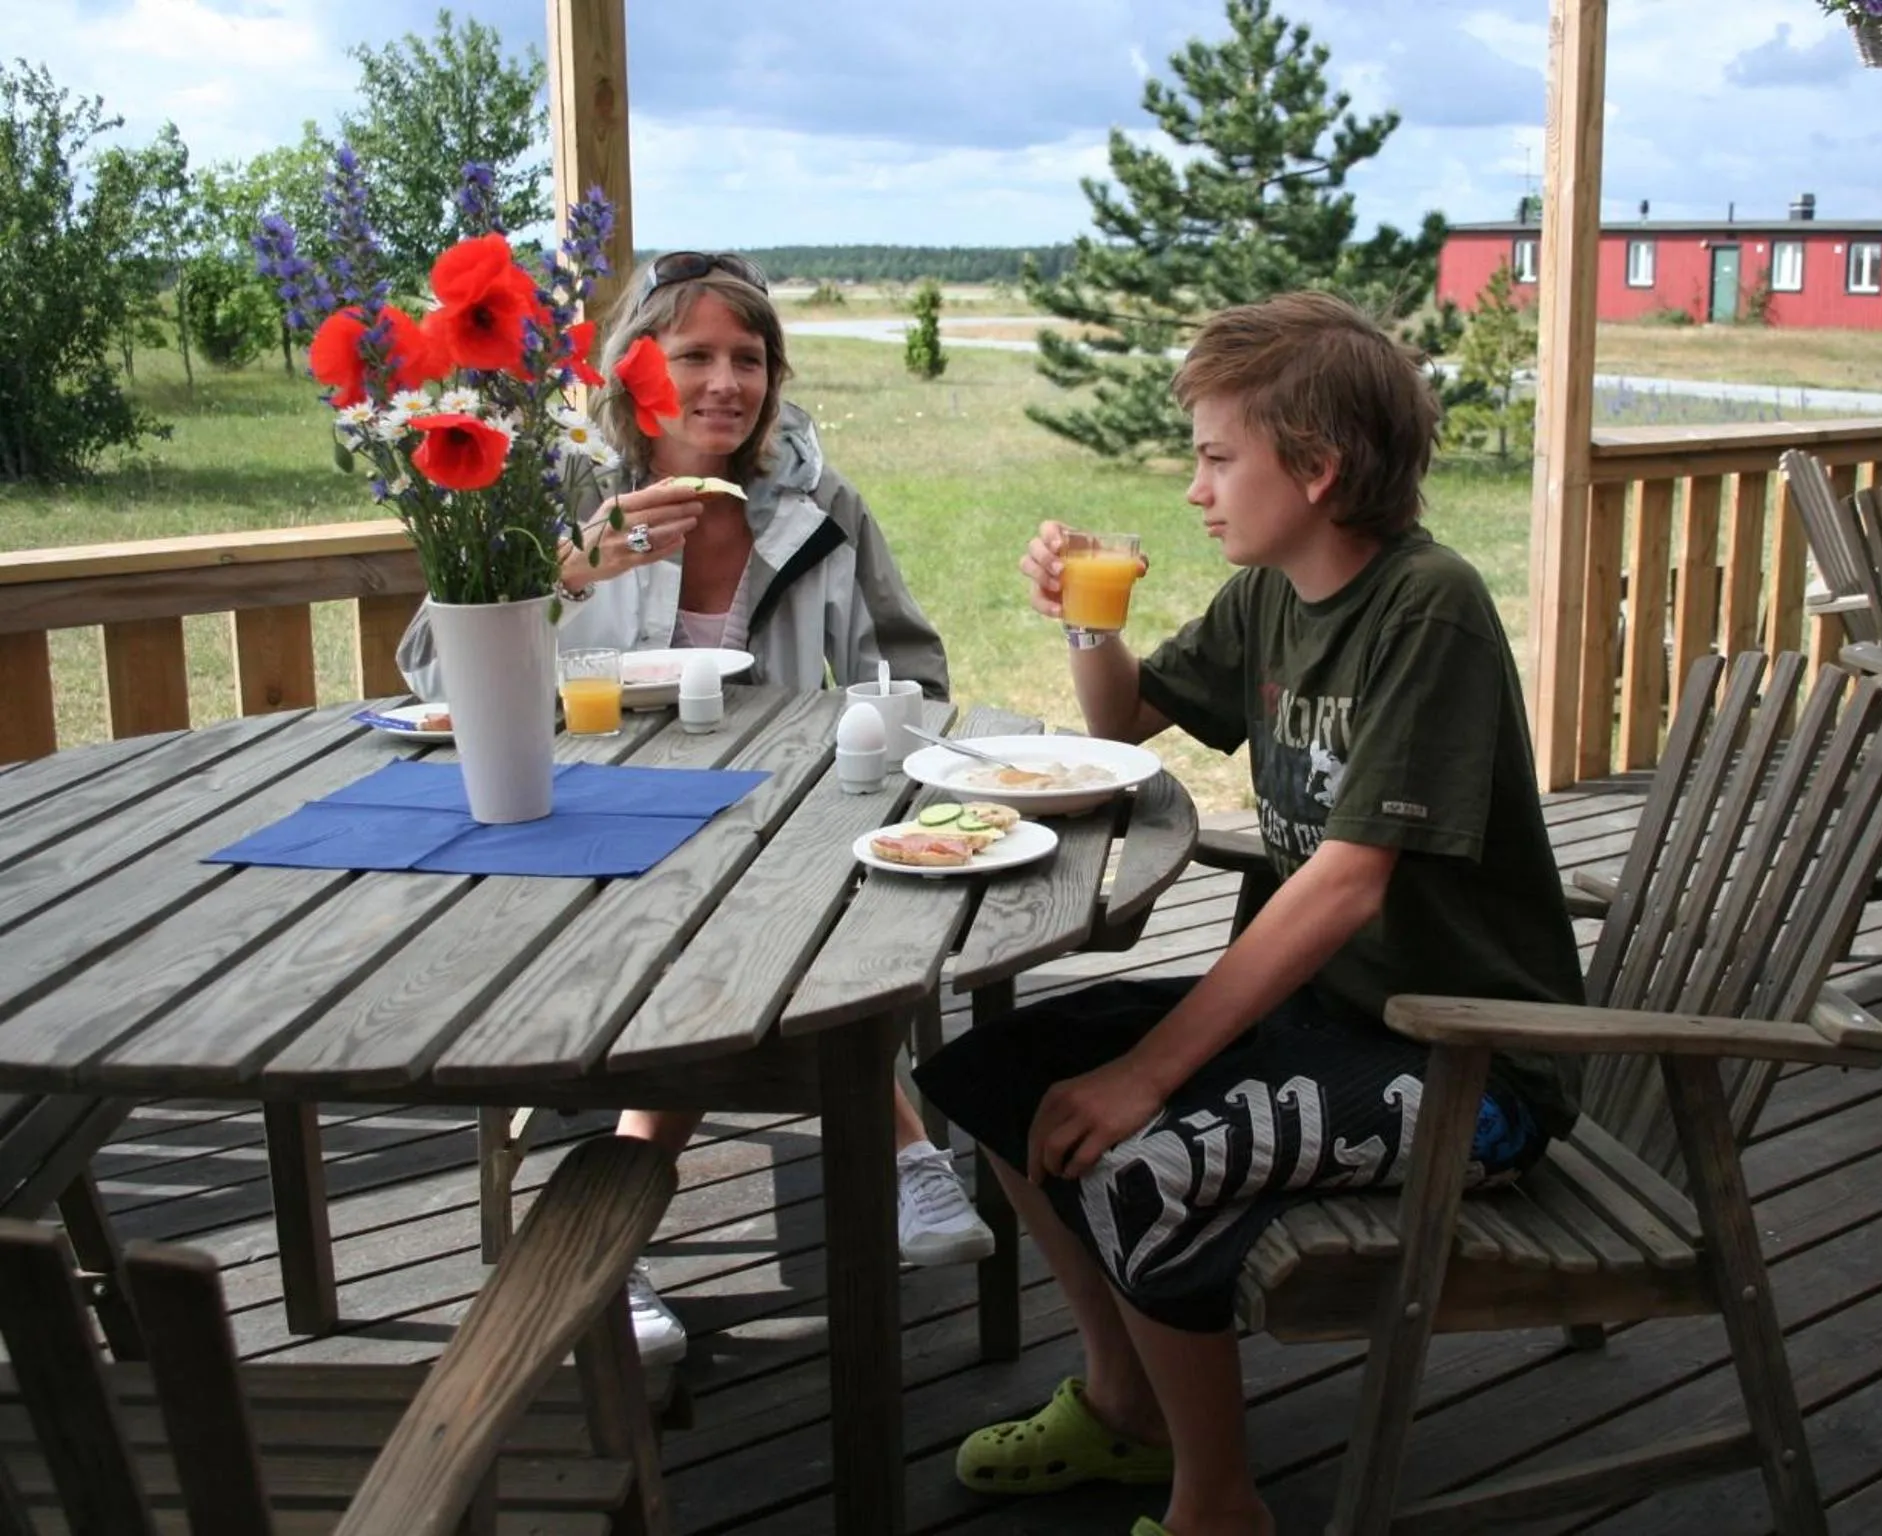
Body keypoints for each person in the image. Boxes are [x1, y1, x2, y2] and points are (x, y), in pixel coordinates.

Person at [913, 292, 1584, 1536]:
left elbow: (1347, 881)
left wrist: (1150, 1070)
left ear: (1319, 471)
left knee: (1139, 1159)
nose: (1194, 488)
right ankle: (1129, 1408)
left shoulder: (1426, 607)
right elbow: (1119, 725)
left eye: (1219, 457)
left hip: (1464, 1063)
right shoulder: (1274, 591)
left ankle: (1219, 1505)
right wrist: (1087, 617)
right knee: (993, 1073)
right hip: (1327, 1018)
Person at [397, 251, 993, 1364]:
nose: (726, 382)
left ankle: (602, 1251)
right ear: (635, 372)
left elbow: (909, 668)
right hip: (586, 823)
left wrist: (877, 746)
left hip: (773, 822)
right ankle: (903, 1145)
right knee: (714, 956)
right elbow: (435, 675)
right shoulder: (556, 493)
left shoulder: (820, 508)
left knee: (756, 928)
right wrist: (570, 571)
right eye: (695, 356)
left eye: (749, 359)